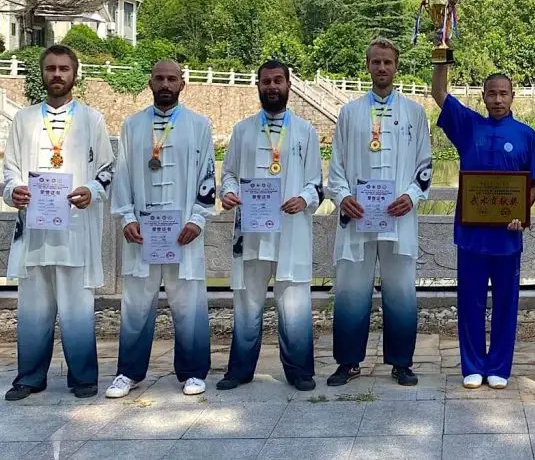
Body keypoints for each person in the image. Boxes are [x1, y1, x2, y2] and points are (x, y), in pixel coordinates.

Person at [4, 45, 114, 401]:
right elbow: (9, 171)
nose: (57, 74)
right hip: (34, 231)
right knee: (33, 307)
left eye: (63, 68)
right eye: (50, 68)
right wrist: (13, 191)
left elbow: (108, 172)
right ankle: (30, 377)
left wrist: (92, 191)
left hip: (75, 230)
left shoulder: (93, 119)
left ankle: (83, 377)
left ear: (75, 74)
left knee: (77, 308)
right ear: (42, 72)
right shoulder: (23, 119)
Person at [106, 59, 217, 398]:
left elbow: (207, 174)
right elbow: (121, 175)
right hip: (142, 232)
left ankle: (193, 371)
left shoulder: (199, 125)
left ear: (183, 84)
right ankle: (129, 372)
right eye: (159, 78)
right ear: (150, 82)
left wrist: (198, 218)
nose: (165, 84)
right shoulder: (131, 125)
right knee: (136, 302)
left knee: (189, 302)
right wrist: (126, 217)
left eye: (172, 78)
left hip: (183, 232)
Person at [326, 39, 431, 388]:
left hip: (398, 217)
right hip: (358, 217)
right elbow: (336, 166)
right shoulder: (349, 112)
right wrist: (343, 197)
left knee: (400, 290)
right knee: (350, 289)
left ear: (396, 66)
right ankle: (348, 362)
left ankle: (401, 362)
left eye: (388, 62)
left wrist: (412, 196)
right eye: (376, 62)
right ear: (367, 65)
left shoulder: (415, 113)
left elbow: (424, 166)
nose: (382, 68)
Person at [432, 64, 535, 390]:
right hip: (471, 236)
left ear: (512, 96)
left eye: (503, 93)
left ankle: (498, 367)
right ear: (483, 96)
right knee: (470, 301)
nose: (497, 99)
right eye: (491, 93)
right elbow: (438, 93)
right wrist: (442, 53)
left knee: (507, 303)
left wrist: (522, 211)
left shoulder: (525, 134)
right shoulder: (468, 126)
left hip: (507, 238)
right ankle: (472, 365)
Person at [218, 60, 324, 392]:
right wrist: (230, 192)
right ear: (258, 86)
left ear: (289, 85)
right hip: (251, 231)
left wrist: (304, 199)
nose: (272, 87)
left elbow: (316, 183)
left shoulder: (306, 131)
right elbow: (229, 175)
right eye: (266, 81)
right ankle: (239, 370)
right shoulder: (242, 130)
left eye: (278, 81)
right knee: (247, 300)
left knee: (293, 301)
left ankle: (299, 370)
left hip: (290, 229)